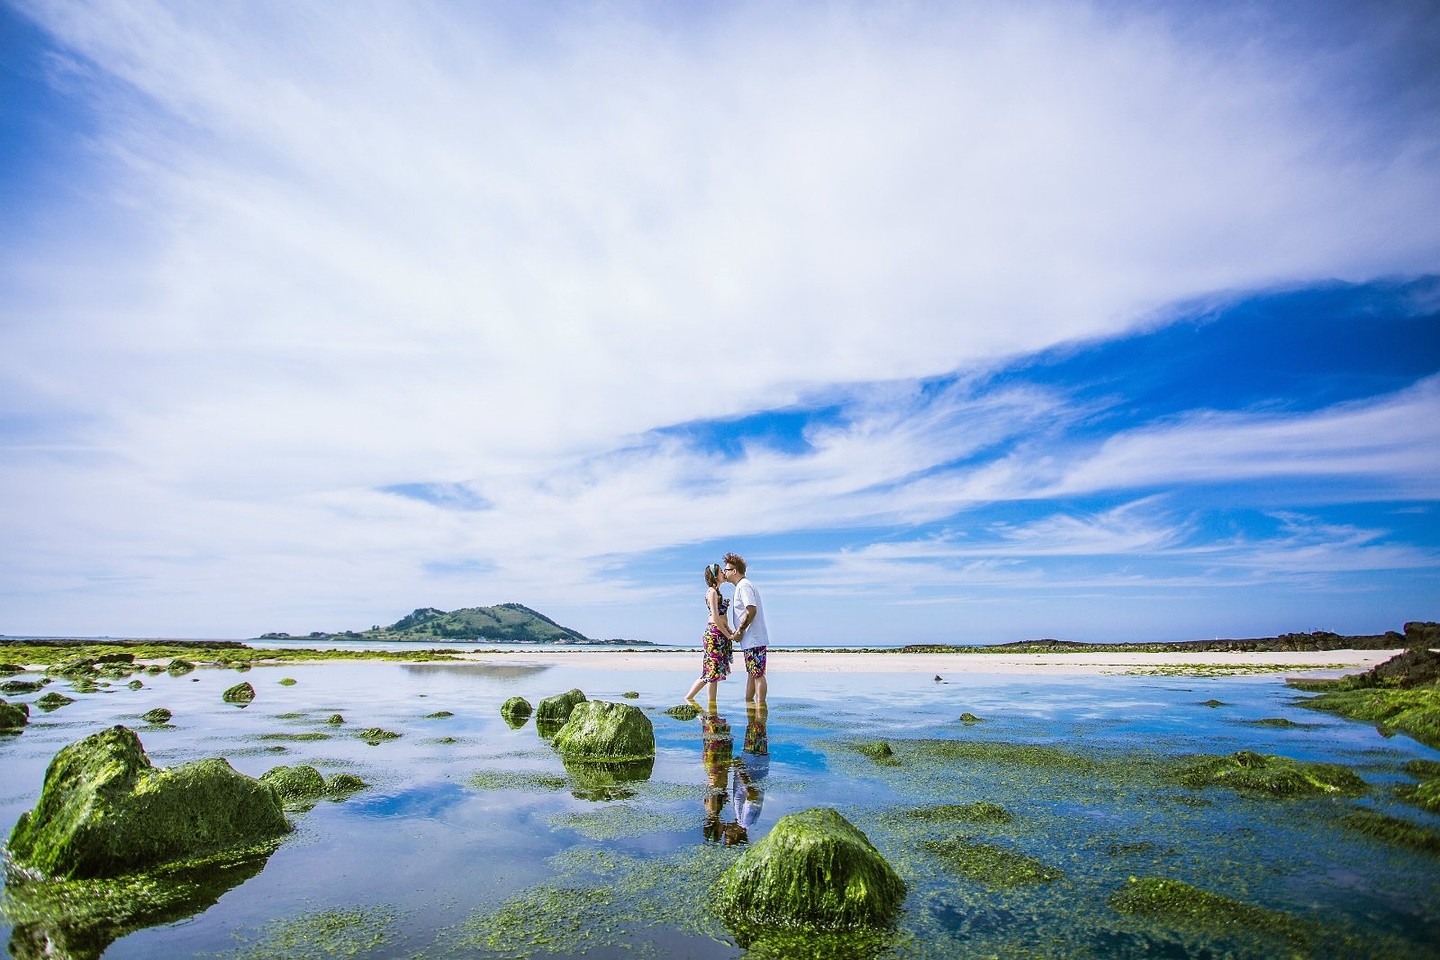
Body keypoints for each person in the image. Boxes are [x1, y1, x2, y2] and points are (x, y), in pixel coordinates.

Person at [685, 563, 734, 706]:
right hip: (714, 634)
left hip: (719, 633)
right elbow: (715, 617)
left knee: (714, 673)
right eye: (721, 571)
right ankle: (691, 700)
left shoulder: (717, 592)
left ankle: (709, 708)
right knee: (711, 672)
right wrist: (728, 635)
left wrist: (729, 631)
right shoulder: (712, 592)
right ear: (715, 576)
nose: (724, 573)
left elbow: (722, 618)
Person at [722, 552, 769, 704]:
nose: (724, 572)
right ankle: (750, 706)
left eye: (726, 570)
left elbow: (751, 610)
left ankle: (761, 708)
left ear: (734, 571)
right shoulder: (742, 586)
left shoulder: (744, 586)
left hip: (753, 638)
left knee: (758, 674)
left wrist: (740, 631)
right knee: (752, 673)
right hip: (750, 640)